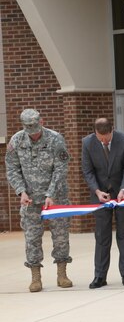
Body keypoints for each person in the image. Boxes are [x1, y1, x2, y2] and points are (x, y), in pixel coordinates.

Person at [5, 109, 72, 292]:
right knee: (32, 238)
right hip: (30, 200)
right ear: (24, 126)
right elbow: (12, 169)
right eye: (29, 128)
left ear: (41, 121)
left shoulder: (55, 139)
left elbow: (61, 168)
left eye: (35, 127)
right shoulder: (17, 141)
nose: (33, 132)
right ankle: (36, 277)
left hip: (56, 197)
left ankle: (62, 274)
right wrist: (21, 192)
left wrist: (50, 193)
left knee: (61, 237)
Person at [82, 117, 124, 288]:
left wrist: (123, 190)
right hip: (100, 195)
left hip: (123, 193)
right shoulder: (87, 143)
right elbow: (88, 170)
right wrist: (97, 191)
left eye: (107, 137)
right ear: (95, 133)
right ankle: (100, 276)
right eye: (101, 138)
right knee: (101, 236)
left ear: (112, 130)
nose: (104, 141)